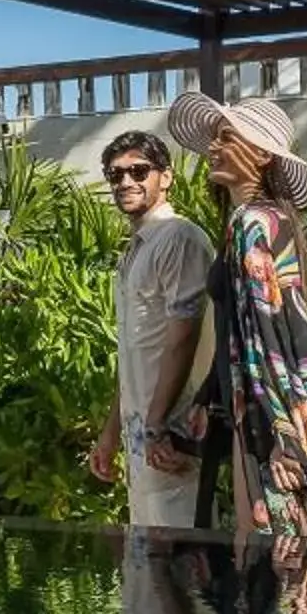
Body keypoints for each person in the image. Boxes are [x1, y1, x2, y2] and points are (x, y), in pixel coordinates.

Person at [164, 93, 307, 544]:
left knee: (281, 560)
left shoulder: (253, 225)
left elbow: (271, 333)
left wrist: (284, 439)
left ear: (262, 155)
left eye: (225, 137)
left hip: (272, 412)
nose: (212, 147)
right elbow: (251, 332)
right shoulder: (268, 220)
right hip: (268, 406)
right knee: (288, 560)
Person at [86, 131, 216, 528]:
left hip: (174, 438)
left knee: (183, 573)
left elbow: (184, 336)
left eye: (139, 171)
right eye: (115, 175)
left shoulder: (179, 237)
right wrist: (111, 434)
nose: (125, 182)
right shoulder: (136, 250)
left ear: (166, 177)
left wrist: (159, 426)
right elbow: (133, 354)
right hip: (143, 441)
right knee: (154, 578)